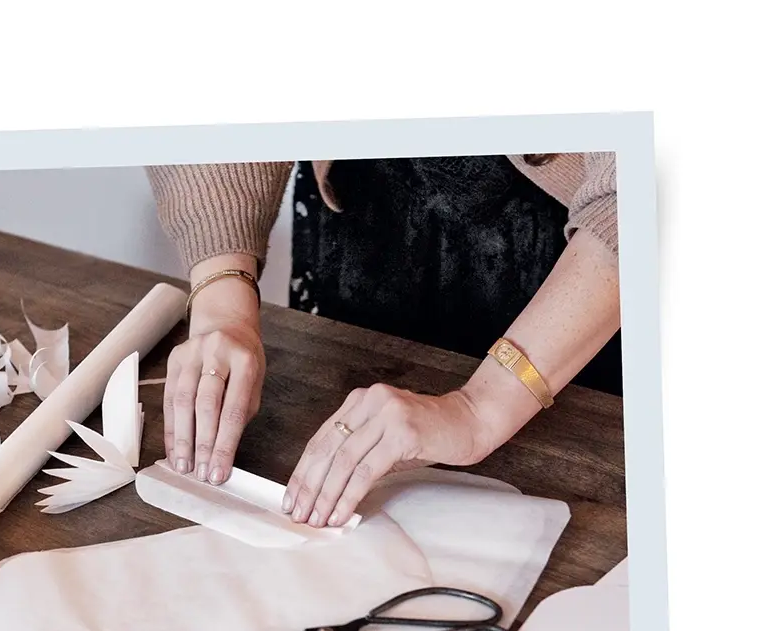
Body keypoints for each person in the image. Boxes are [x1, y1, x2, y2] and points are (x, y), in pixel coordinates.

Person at [145, 153, 620, 531]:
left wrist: (483, 409)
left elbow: (649, 185)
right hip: (366, 218)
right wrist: (223, 300)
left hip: (588, 287)